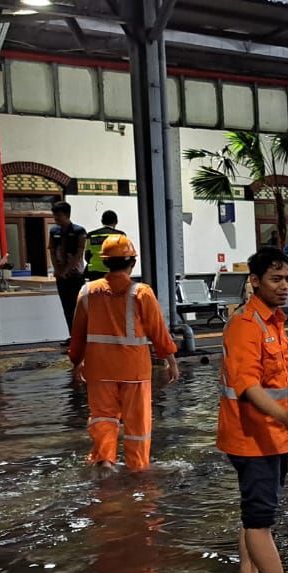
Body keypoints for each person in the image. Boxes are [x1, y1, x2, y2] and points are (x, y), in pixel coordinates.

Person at [217, 246, 288, 573]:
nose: (285, 286)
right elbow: (248, 387)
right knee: (260, 521)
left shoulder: (273, 322)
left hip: (271, 438)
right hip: (252, 438)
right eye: (276, 279)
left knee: (253, 515)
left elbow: (277, 385)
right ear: (255, 281)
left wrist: (285, 433)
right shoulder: (247, 325)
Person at [69, 234, 179, 472]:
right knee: (137, 422)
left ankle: (105, 460)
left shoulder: (87, 292)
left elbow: (77, 334)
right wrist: (171, 360)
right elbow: (158, 331)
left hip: (98, 369)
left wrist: (77, 362)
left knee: (103, 417)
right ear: (133, 262)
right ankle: (137, 468)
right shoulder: (141, 293)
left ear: (105, 262)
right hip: (134, 370)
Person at [49, 200, 87, 334]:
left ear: (66, 214)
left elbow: (79, 252)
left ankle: (81, 336)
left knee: (78, 307)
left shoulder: (78, 231)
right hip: (61, 276)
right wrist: (57, 270)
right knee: (66, 307)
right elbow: (52, 251)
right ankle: (72, 335)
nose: (55, 218)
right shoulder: (54, 231)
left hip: (75, 275)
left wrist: (66, 270)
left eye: (58, 215)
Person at [85, 210, 125, 280]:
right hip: (113, 271)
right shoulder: (120, 235)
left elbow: (87, 255)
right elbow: (123, 256)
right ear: (116, 222)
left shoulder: (91, 235)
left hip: (95, 272)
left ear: (102, 221)